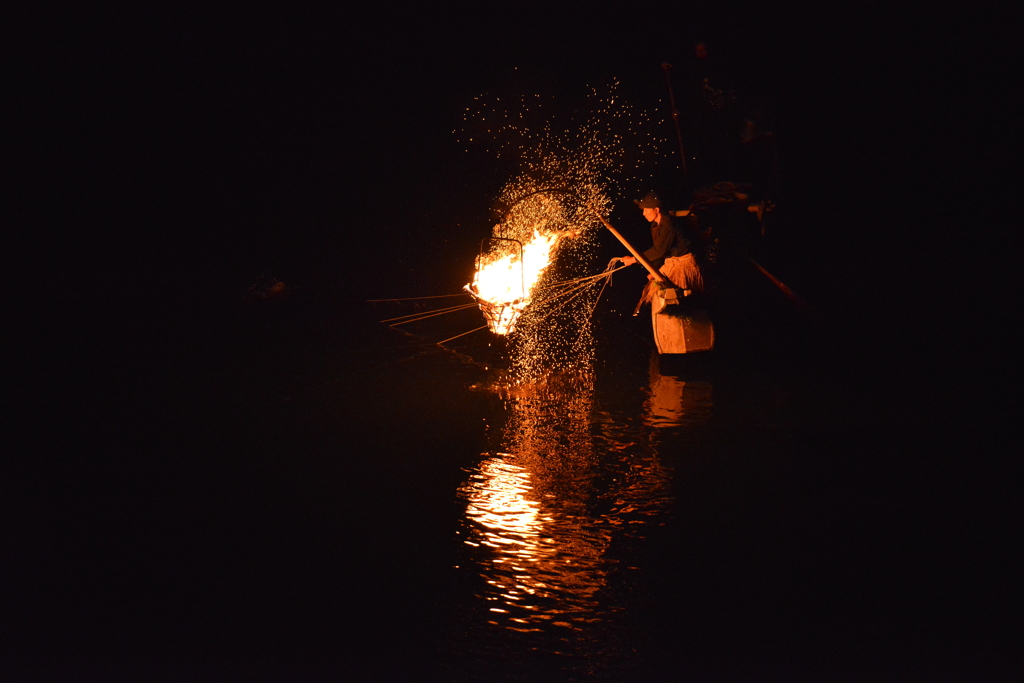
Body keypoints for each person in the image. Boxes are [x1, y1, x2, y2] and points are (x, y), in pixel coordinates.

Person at [618, 191, 706, 310]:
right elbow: (662, 251)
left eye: (646, 210)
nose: (643, 214)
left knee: (679, 298)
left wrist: (633, 260)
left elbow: (658, 251)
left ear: (656, 210)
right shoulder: (655, 225)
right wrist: (655, 270)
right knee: (655, 288)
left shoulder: (669, 224)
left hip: (683, 264)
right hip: (671, 261)